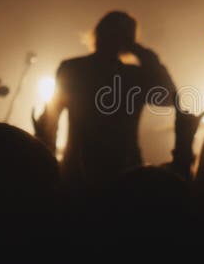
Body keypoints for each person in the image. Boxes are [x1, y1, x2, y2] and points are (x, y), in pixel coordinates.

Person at [35, 11, 176, 190]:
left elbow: (50, 121)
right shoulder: (132, 75)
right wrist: (142, 52)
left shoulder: (74, 68)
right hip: (124, 169)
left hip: (80, 169)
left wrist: (47, 167)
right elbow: (170, 97)